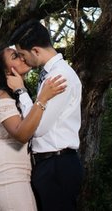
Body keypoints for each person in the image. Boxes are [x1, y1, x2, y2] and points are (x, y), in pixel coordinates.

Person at [10, 20, 83, 211]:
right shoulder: (51, 74)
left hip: (57, 166)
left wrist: (21, 91)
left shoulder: (59, 77)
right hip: (51, 165)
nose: (23, 61)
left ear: (35, 50)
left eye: (23, 55)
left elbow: (38, 128)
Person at [0, 46, 67, 211]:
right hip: (9, 174)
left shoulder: (17, 94)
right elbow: (22, 135)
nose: (22, 57)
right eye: (15, 56)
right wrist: (42, 98)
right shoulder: (1, 95)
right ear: (5, 69)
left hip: (27, 173)